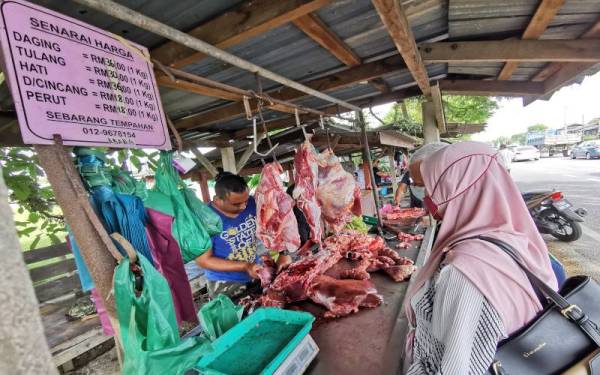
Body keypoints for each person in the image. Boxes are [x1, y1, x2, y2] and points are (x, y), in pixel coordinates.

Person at [403, 141, 558, 374]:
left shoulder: (467, 270)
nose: (427, 197)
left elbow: (456, 369)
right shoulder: (515, 238)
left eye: (430, 187)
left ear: (455, 187)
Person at [197, 171, 291, 299]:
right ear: (218, 200)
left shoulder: (251, 203)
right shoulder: (205, 220)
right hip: (224, 281)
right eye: (236, 204)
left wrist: (283, 253)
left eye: (245, 201)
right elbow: (204, 261)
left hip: (255, 271)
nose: (243, 207)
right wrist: (245, 266)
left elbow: (275, 226)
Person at [393, 143, 448, 207]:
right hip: (415, 203)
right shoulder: (410, 173)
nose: (414, 184)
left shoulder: (437, 176)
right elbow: (401, 188)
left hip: (431, 204)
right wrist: (397, 199)